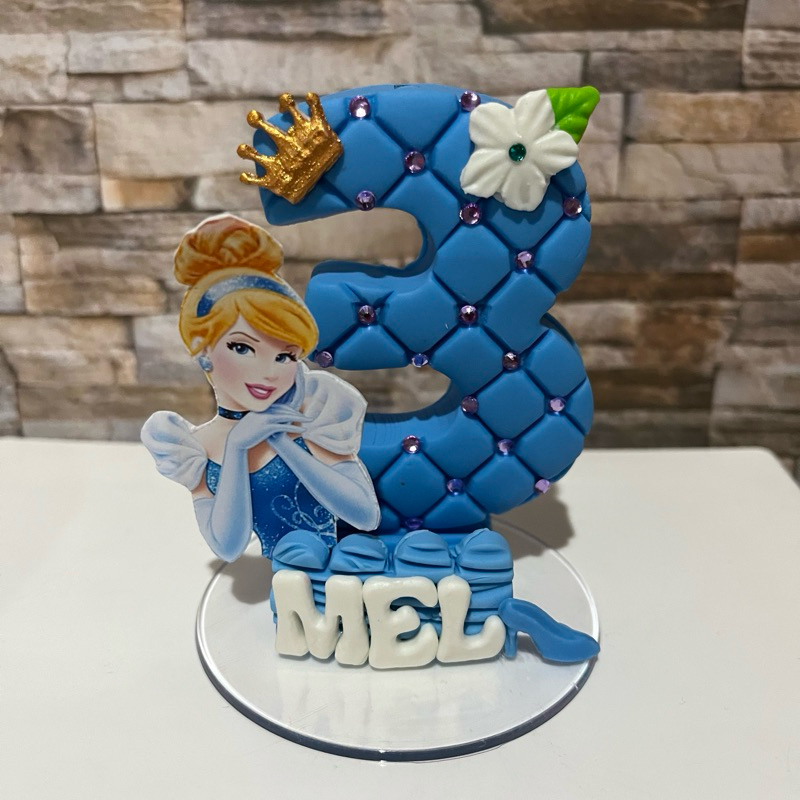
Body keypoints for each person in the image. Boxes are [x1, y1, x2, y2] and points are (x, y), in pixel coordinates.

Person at [141, 214, 380, 561]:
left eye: (284, 356)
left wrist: (281, 440)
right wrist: (237, 446)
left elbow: (365, 515)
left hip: (336, 572)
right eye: (242, 348)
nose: (268, 373)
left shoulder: (311, 417)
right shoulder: (194, 447)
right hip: (278, 584)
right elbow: (227, 546)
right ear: (201, 348)